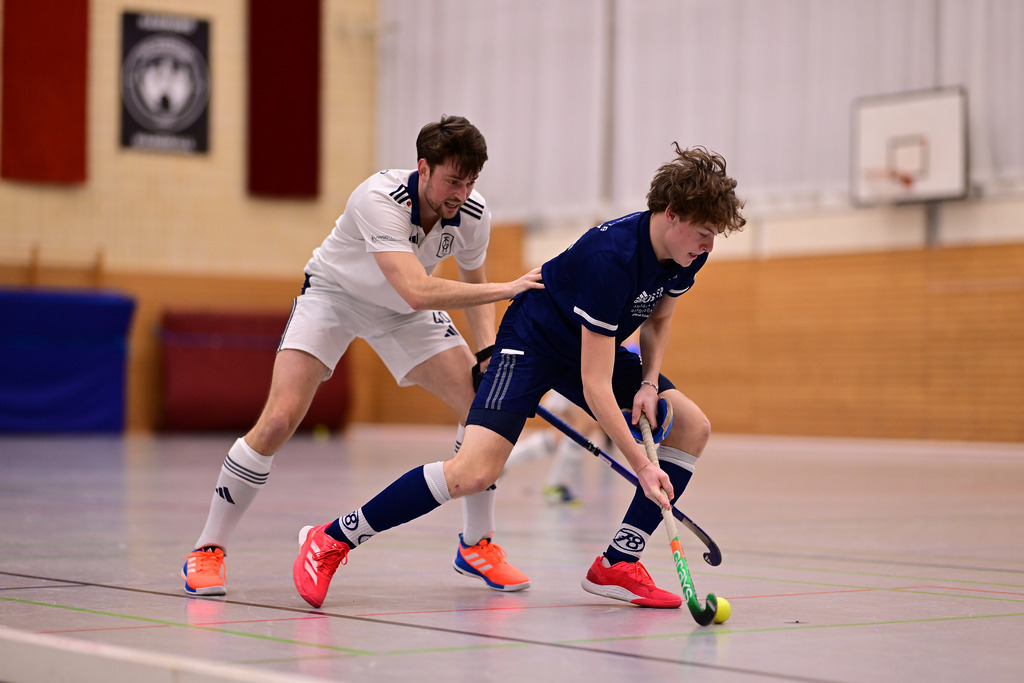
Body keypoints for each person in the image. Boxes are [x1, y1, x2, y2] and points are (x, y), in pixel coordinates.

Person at [291, 143, 745, 609]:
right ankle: (334, 538)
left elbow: (659, 318)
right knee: (472, 472)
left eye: (714, 236)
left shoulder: (686, 254)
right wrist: (643, 465)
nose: (709, 245)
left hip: (587, 345)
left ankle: (618, 563)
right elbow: (595, 385)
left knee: (691, 426)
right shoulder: (612, 257)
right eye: (705, 233)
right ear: (671, 214)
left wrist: (650, 382)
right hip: (533, 341)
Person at [181, 115, 544, 596]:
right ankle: (208, 549)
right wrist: (512, 288)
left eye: (471, 180)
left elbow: (472, 283)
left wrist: (486, 354)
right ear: (423, 168)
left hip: (403, 313)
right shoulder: (378, 197)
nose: (461, 192)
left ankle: (476, 545)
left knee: (480, 412)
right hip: (336, 296)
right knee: (278, 419)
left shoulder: (473, 213)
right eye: (453, 180)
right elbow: (417, 289)